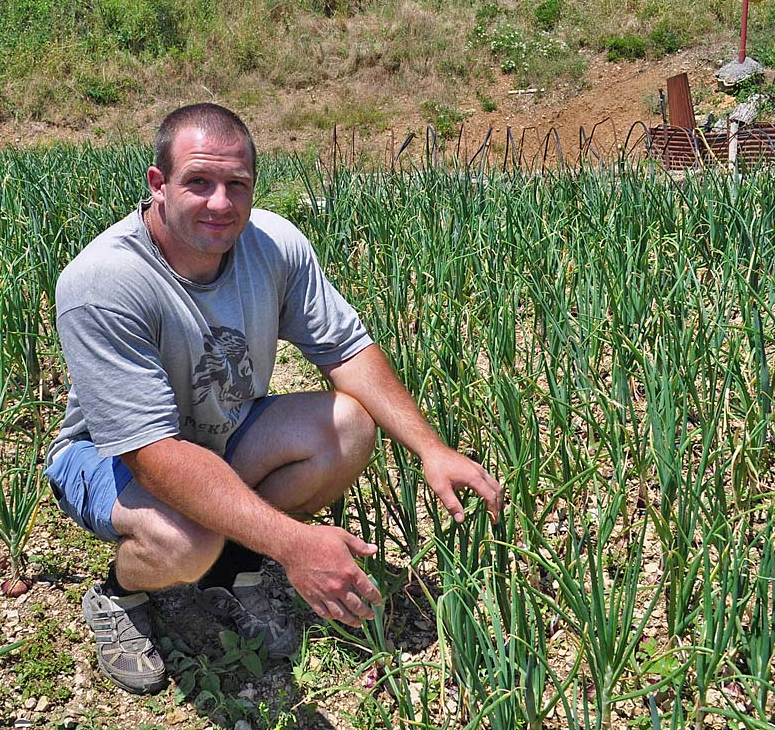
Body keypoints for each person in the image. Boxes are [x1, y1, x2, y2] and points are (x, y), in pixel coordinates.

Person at [44, 103, 503, 695]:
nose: (220, 203)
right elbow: (153, 455)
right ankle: (121, 592)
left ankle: (235, 563)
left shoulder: (273, 243)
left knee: (348, 427)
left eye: (237, 185)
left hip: (222, 429)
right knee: (185, 541)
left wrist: (433, 449)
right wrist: (293, 544)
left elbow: (348, 351)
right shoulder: (102, 283)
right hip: (108, 455)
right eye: (199, 183)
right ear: (158, 184)